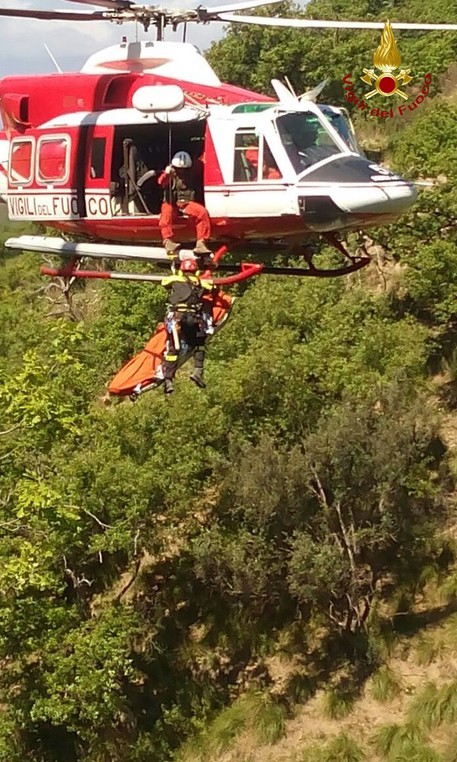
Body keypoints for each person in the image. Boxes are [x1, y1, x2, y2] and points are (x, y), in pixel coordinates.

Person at [161, 256, 214, 395]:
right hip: (193, 319)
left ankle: (168, 380)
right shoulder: (200, 282)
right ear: (195, 271)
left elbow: (164, 282)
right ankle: (198, 371)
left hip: (177, 318)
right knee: (199, 344)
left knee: (173, 349)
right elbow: (210, 287)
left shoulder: (174, 280)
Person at [158, 151, 212, 258]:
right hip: (172, 203)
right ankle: (168, 242)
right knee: (166, 214)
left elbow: (201, 163)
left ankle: (201, 243)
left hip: (187, 204)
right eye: (179, 169)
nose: (182, 172)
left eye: (184, 169)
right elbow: (161, 182)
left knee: (202, 212)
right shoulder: (170, 175)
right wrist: (167, 174)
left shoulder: (193, 173)